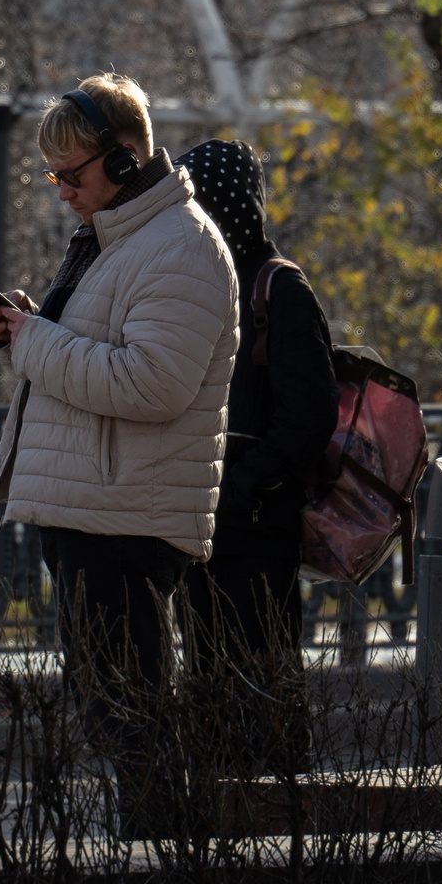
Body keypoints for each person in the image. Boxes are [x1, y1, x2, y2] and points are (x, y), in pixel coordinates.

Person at [0, 75, 238, 830]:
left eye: (73, 174)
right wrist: (21, 335)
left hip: (126, 518)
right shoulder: (116, 239)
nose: (61, 191)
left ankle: (164, 856)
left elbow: (152, 384)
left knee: (132, 711)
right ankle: (159, 846)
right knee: (115, 707)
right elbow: (85, 359)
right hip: (97, 508)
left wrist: (37, 341)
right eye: (52, 176)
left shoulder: (179, 248)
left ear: (124, 160)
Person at [177, 139, 340, 772]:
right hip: (203, 522)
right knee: (209, 680)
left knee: (260, 684)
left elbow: (309, 412)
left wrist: (245, 485)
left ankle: (269, 825)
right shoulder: (201, 282)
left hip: (255, 523)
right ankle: (221, 822)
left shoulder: (279, 289)